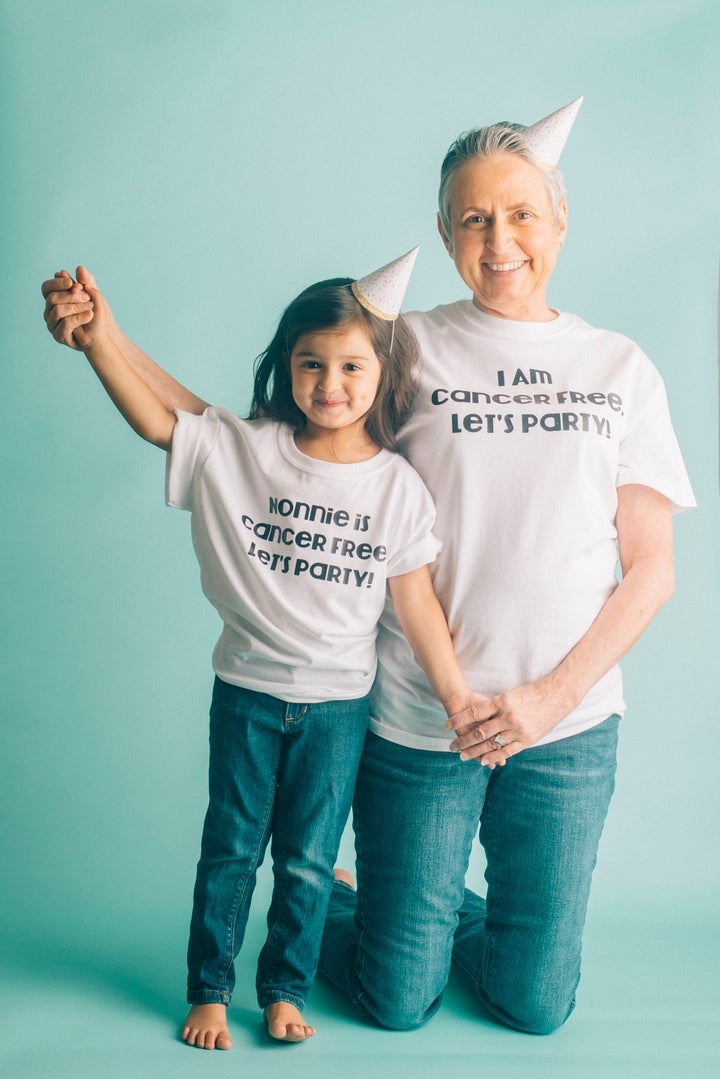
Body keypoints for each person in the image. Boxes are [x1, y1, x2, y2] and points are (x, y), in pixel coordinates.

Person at [42, 96, 696, 1037]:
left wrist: (547, 700)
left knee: (536, 1002)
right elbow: (248, 444)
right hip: (419, 720)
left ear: (560, 219)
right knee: (394, 1000)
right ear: (444, 230)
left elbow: (651, 570)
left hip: (565, 729)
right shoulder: (406, 344)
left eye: (520, 214)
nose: (499, 239)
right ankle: (380, 910)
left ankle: (431, 913)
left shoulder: (620, 367)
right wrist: (106, 335)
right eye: (473, 218)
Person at [44, 249, 487, 1048]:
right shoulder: (247, 448)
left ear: (383, 377)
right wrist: (100, 339)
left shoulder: (397, 487)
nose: (330, 382)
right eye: (311, 362)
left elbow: (415, 600)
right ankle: (209, 988)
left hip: (341, 706)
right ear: (286, 365)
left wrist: (458, 696)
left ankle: (284, 988)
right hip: (246, 693)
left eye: (353, 366)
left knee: (311, 860)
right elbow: (156, 418)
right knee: (231, 849)